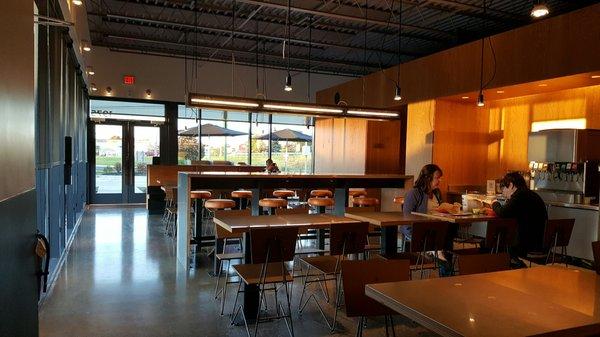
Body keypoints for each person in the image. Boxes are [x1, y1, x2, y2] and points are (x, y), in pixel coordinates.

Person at [403, 164, 455, 276]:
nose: (439, 181)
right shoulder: (414, 193)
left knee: (451, 232)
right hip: (420, 231)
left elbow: (439, 211)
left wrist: (447, 210)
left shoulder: (437, 193)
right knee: (444, 248)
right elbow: (406, 219)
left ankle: (443, 262)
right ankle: (445, 269)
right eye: (437, 178)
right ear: (427, 178)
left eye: (440, 178)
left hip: (436, 230)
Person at [490, 172, 547, 265]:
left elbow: (503, 213)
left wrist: (494, 203)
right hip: (541, 242)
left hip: (528, 244)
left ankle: (499, 270)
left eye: (504, 189)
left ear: (511, 185)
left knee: (496, 243)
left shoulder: (519, 196)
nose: (504, 194)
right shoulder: (532, 195)